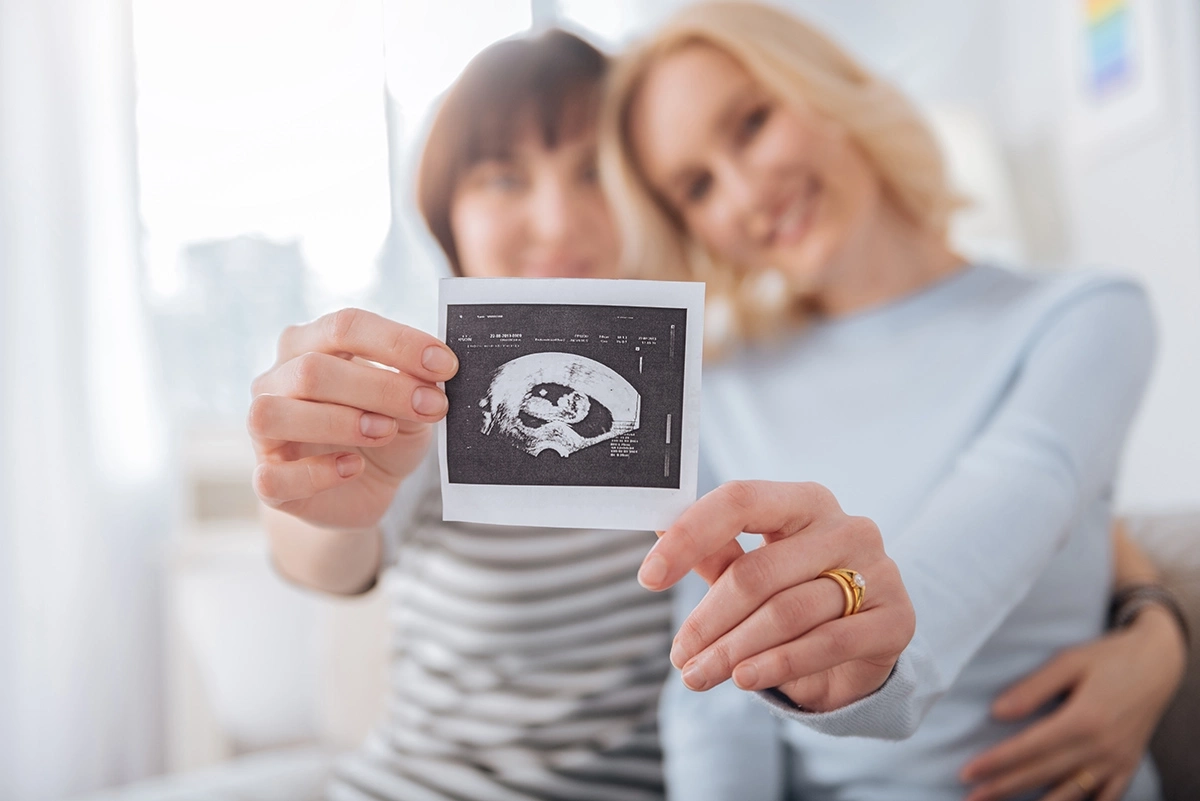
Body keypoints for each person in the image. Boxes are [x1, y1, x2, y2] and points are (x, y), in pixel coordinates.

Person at [246, 22, 1185, 801]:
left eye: (595, 177)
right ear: (447, 219)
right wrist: (308, 495)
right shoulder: (438, 396)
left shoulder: (699, 389)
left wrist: (1158, 623)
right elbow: (335, 549)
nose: (559, 220)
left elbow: (1041, 496)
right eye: (502, 178)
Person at [598, 2, 1186, 799]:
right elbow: (713, 702)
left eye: (752, 122)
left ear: (829, 88)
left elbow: (1018, 498)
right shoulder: (719, 392)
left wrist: (876, 650)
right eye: (697, 186)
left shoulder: (1084, 316)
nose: (745, 193)